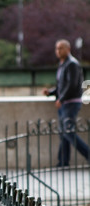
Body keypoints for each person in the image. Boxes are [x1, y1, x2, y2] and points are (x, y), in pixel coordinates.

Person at [43, 39, 90, 167]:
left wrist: (61, 99)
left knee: (68, 132)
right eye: (57, 48)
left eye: (61, 48)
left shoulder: (72, 64)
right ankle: (63, 162)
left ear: (68, 49)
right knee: (63, 133)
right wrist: (51, 93)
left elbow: (72, 84)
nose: (58, 51)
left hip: (70, 103)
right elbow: (61, 86)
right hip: (64, 103)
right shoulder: (63, 64)